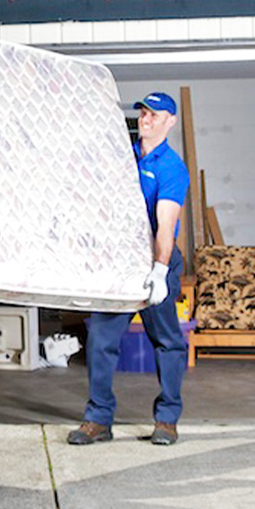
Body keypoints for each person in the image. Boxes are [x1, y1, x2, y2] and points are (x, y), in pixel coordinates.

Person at [69, 92, 190, 447]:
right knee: (101, 340)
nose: (146, 118)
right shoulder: (120, 158)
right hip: (119, 264)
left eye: (154, 114)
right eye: (143, 112)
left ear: (170, 121)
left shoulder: (171, 168)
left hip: (156, 262)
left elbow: (165, 225)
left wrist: (159, 271)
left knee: (167, 342)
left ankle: (167, 419)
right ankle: (98, 418)